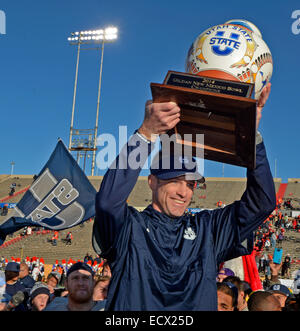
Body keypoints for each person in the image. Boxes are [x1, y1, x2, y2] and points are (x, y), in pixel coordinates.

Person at [92, 84, 276, 311]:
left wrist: (252, 138)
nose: (183, 192)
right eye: (173, 181)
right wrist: (145, 134)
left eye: (190, 184)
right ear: (152, 182)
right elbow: (108, 202)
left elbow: (263, 201)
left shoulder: (209, 230)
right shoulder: (130, 228)